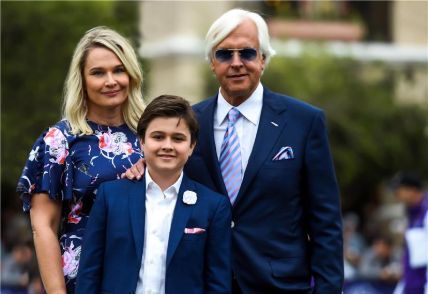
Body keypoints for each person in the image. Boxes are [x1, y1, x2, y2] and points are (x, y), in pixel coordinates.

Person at [127, 8, 343, 293]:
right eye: (225, 54)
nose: (237, 63)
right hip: (202, 282)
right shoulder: (188, 124)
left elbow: (325, 220)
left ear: (263, 59)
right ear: (212, 64)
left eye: (248, 53)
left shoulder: (304, 122)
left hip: (279, 285)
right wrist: (143, 168)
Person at [16, 26, 145, 293]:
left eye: (119, 70)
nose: (111, 80)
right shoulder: (59, 140)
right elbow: (44, 227)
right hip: (85, 278)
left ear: (131, 75)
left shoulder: (152, 135)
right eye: (98, 73)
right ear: (82, 80)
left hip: (147, 275)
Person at [76, 95, 232, 293]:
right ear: (141, 141)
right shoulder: (110, 196)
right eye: (158, 137)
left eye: (178, 138)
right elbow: (90, 271)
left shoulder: (213, 206)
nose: (167, 145)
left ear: (191, 146)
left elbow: (218, 282)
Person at [392, 172, 428, 294]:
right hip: (412, 284)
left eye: (399, 191)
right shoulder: (412, 213)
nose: (396, 195)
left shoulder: (426, 212)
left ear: (412, 190)